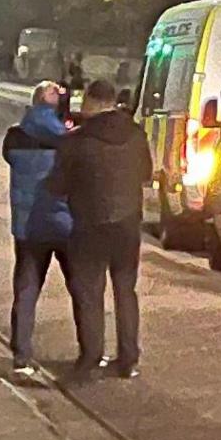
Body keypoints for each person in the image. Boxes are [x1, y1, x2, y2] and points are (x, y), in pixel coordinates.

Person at [48, 80, 151, 379]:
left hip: (89, 226)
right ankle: (128, 357)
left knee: (90, 293)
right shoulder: (136, 135)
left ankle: (92, 355)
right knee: (125, 290)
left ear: (92, 102)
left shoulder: (76, 141)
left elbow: (57, 185)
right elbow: (145, 172)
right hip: (127, 224)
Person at [0, 83, 78, 383]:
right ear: (50, 101)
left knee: (26, 291)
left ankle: (21, 354)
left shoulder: (15, 136)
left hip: (28, 226)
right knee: (81, 288)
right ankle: (89, 350)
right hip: (62, 223)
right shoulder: (65, 138)